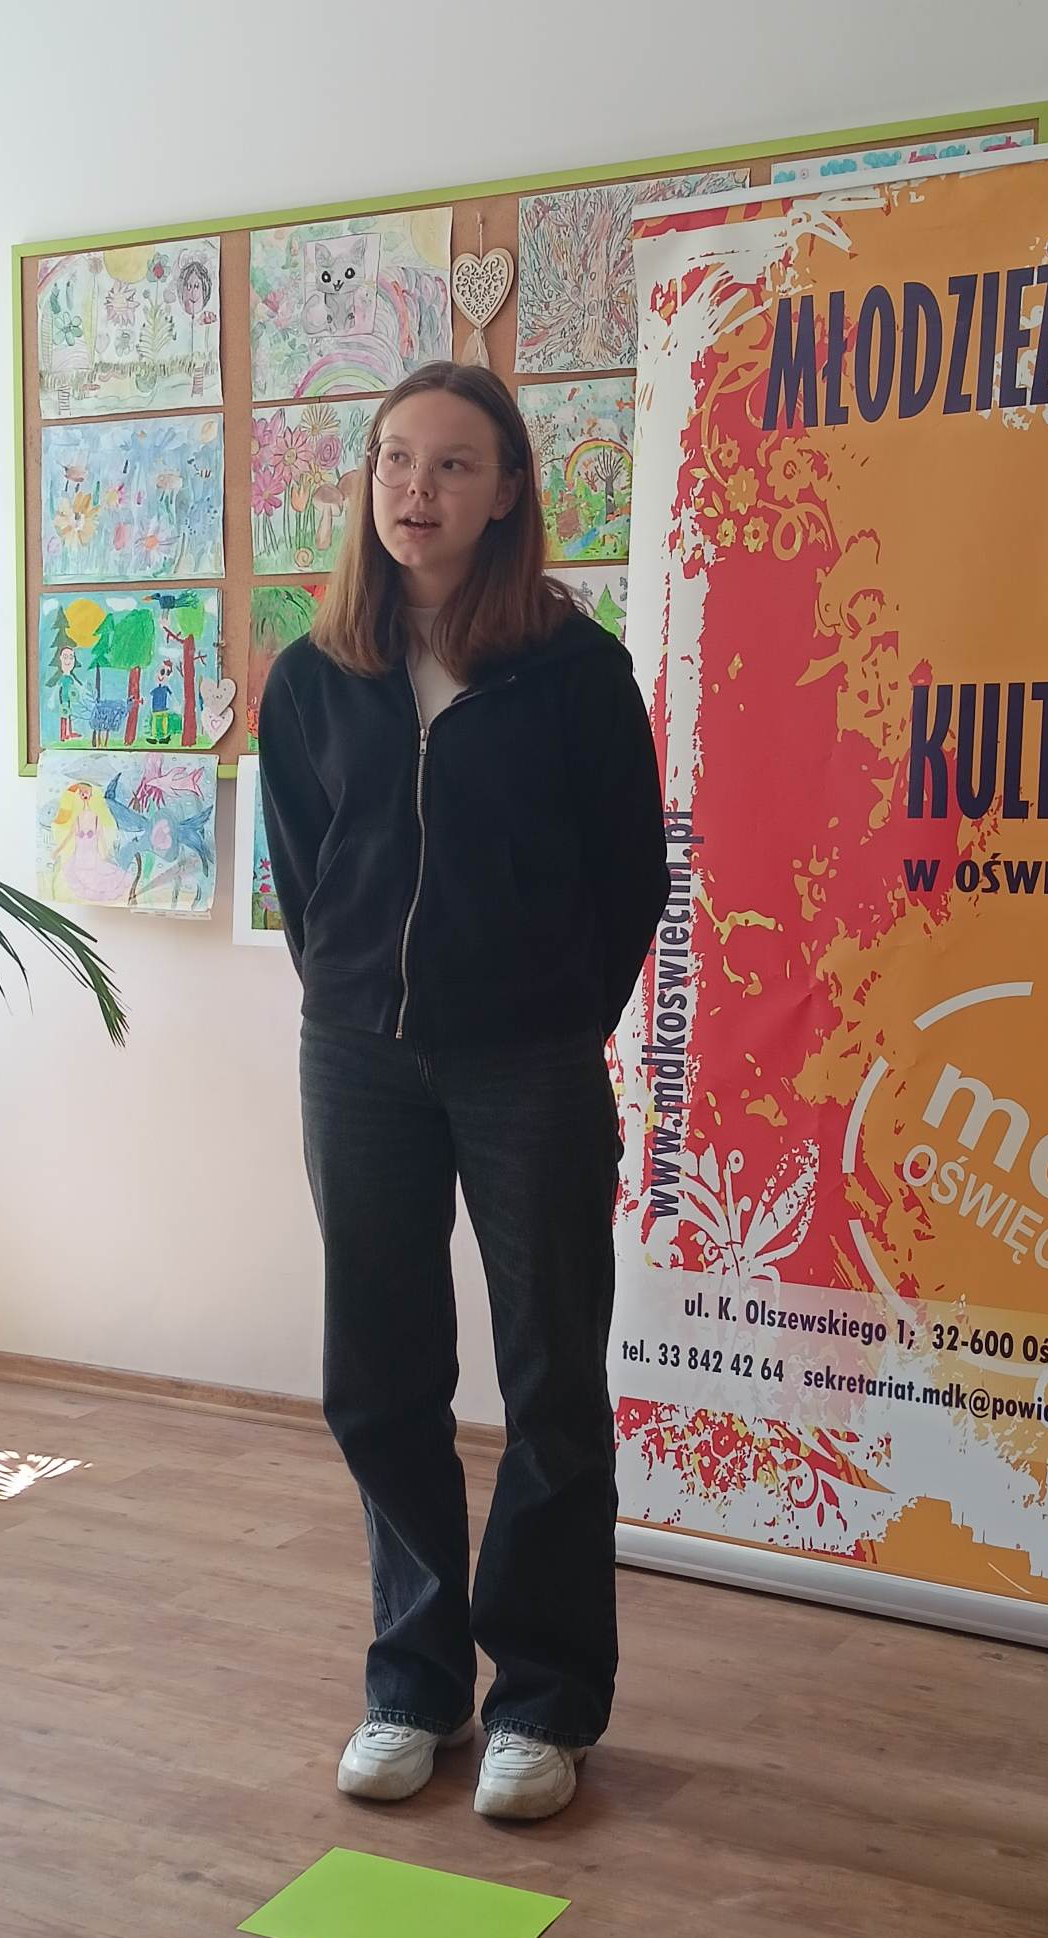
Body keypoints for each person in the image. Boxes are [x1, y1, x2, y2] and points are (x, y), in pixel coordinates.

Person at [259, 362, 668, 1823]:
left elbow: (631, 876)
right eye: (393, 458)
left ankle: (542, 1703)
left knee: (551, 1378)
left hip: (526, 1064)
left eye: (451, 464)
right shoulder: (315, 674)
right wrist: (354, 999)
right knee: (380, 1376)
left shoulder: (572, 670)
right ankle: (415, 1682)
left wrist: (549, 1018)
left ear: (505, 494)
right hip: (357, 1058)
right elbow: (306, 875)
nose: (414, 489)